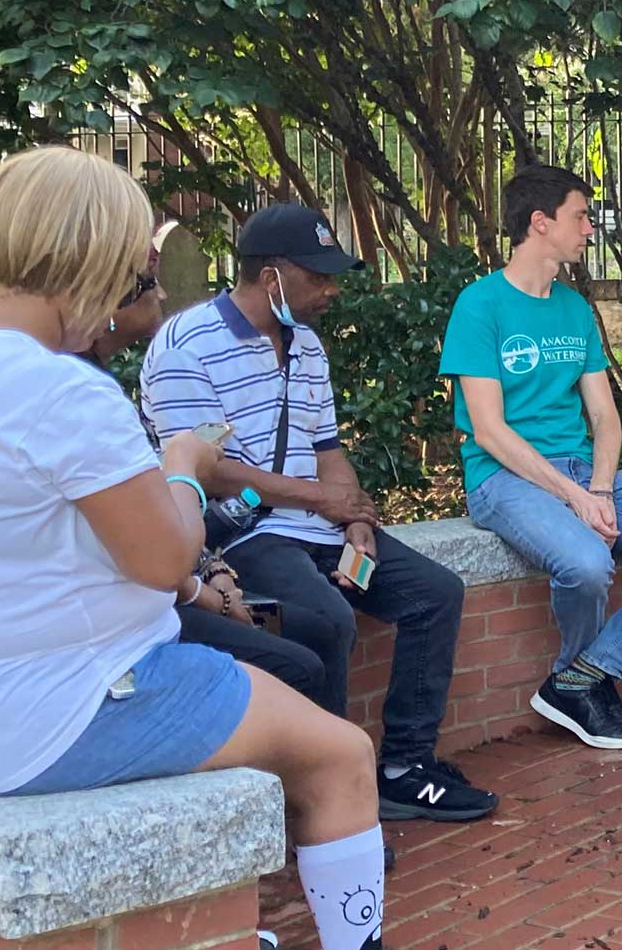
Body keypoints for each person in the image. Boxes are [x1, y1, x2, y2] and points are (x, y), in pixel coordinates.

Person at [0, 148, 481, 950]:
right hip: (43, 714)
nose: (133, 292)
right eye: (133, 268)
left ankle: (241, 927)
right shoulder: (62, 391)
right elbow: (164, 554)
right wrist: (181, 463)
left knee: (269, 670)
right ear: (89, 256)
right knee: (337, 753)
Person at [141, 204, 491, 823]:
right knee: (326, 622)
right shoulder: (185, 344)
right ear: (272, 276)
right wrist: (319, 499)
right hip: (242, 534)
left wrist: (352, 515)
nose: (331, 290)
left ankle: (403, 769)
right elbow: (201, 467)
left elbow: (326, 448)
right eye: (320, 276)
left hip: (316, 525)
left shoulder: (305, 344)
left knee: (435, 592)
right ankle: (326, 801)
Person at [439, 165, 622, 751]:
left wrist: (598, 489)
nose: (590, 229)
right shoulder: (480, 306)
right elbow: (490, 431)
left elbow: (604, 416)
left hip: (582, 470)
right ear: (540, 222)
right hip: (504, 478)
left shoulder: (574, 309)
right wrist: (573, 497)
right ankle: (582, 682)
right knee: (586, 564)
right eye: (581, 216)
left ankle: (582, 677)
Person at [81, 244, 332, 709]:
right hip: (123, 623)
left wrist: (214, 572)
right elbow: (157, 553)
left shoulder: (95, 382)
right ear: (104, 304)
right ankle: (301, 775)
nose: (161, 293)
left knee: (321, 628)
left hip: (169, 588)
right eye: (146, 284)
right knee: (299, 664)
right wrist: (183, 467)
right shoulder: (84, 394)